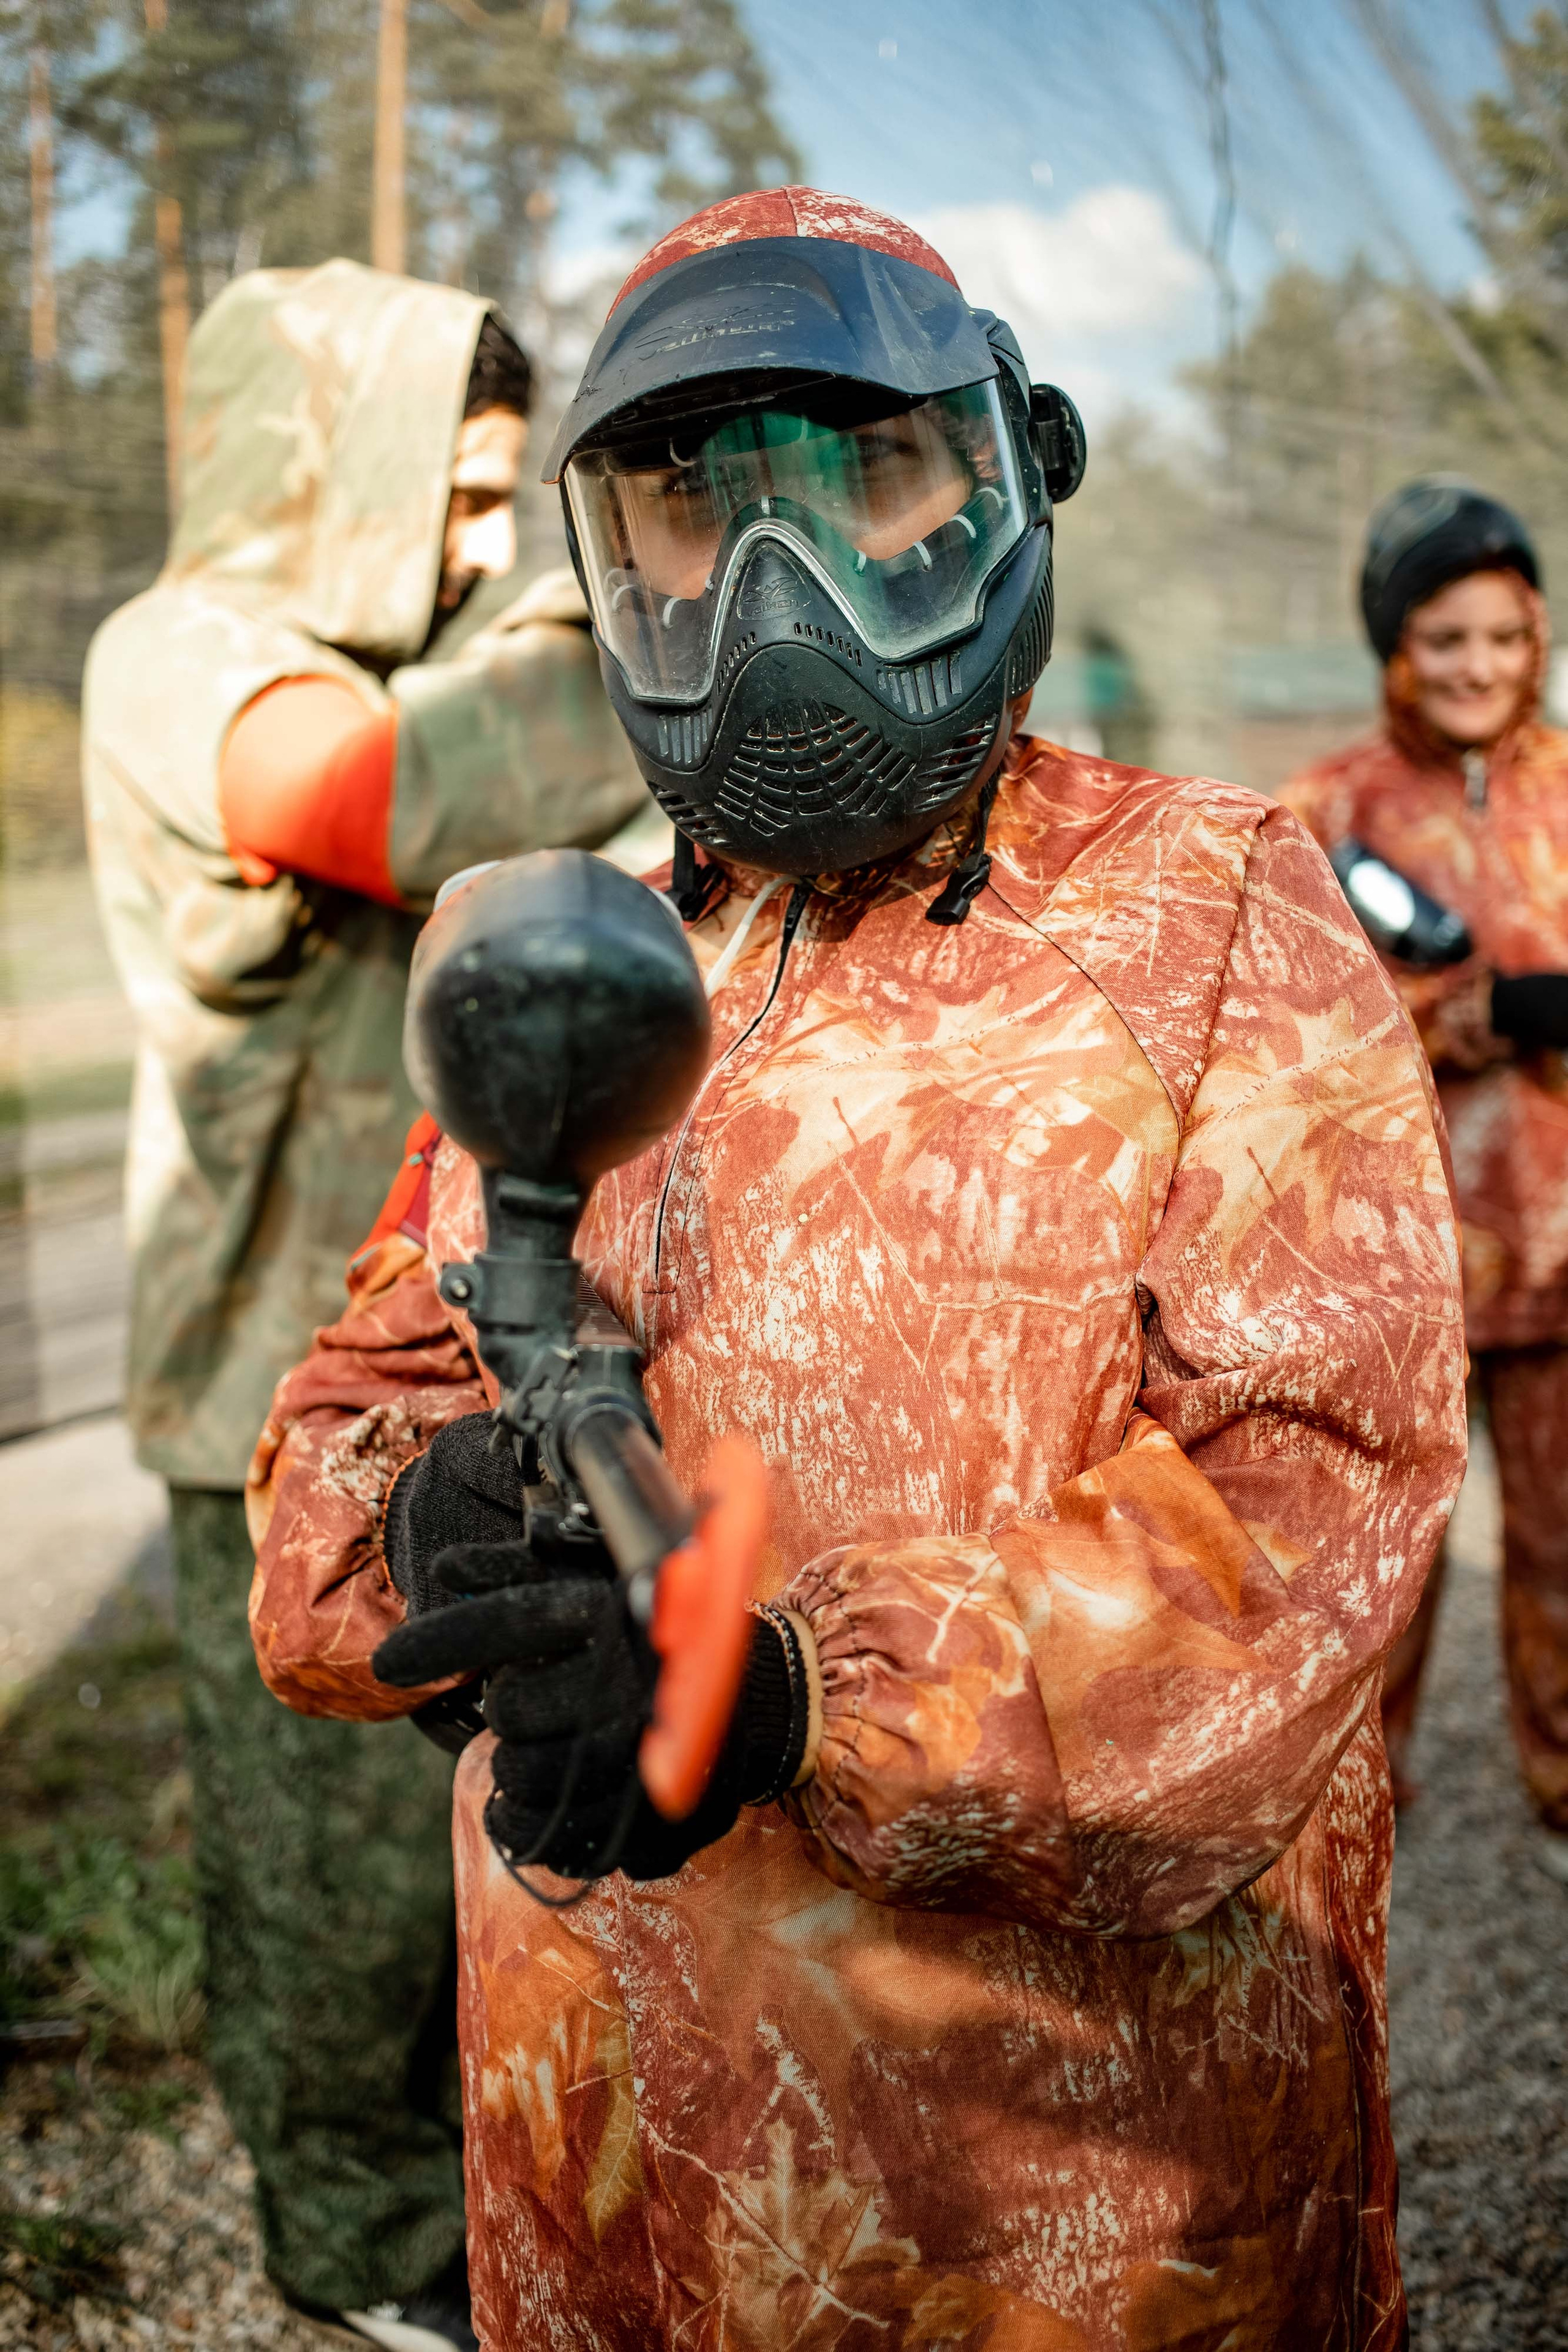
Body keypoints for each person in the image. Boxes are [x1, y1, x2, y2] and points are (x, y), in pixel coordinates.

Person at [247, 194, 1466, 2349]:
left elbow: (1304, 1541)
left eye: (867, 476)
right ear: (609, 574)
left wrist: (801, 1694)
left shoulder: (1216, 917)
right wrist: (424, 1533)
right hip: (604, 2186)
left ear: (1008, 471)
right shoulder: (575, 948)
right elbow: (366, 1416)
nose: (778, 586)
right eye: (691, 513)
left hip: (1061, 2221)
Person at [81, 256, 649, 2348]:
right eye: (465, 496)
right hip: (261, 1380)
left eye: (513, 507)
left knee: (479, 1839)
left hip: (446, 1343)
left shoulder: (411, 643)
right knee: (329, 1894)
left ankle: (476, 2210)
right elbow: (393, 801)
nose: (487, 548)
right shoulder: (185, 653)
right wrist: (599, 593)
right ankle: (361, 2256)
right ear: (331, 479)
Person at [1282, 480, 1568, 1871]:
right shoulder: (1321, 810)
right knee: (1370, 1569)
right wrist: (1465, 1019)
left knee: (1565, 1558)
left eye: (1502, 639)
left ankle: (1560, 1797)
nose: (1474, 668)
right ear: (1393, 645)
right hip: (1386, 1268)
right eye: (1442, 639)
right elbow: (1271, 1034)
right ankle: (1345, 1831)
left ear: (1536, 641)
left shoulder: (1567, 791)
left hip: (1558, 1250)